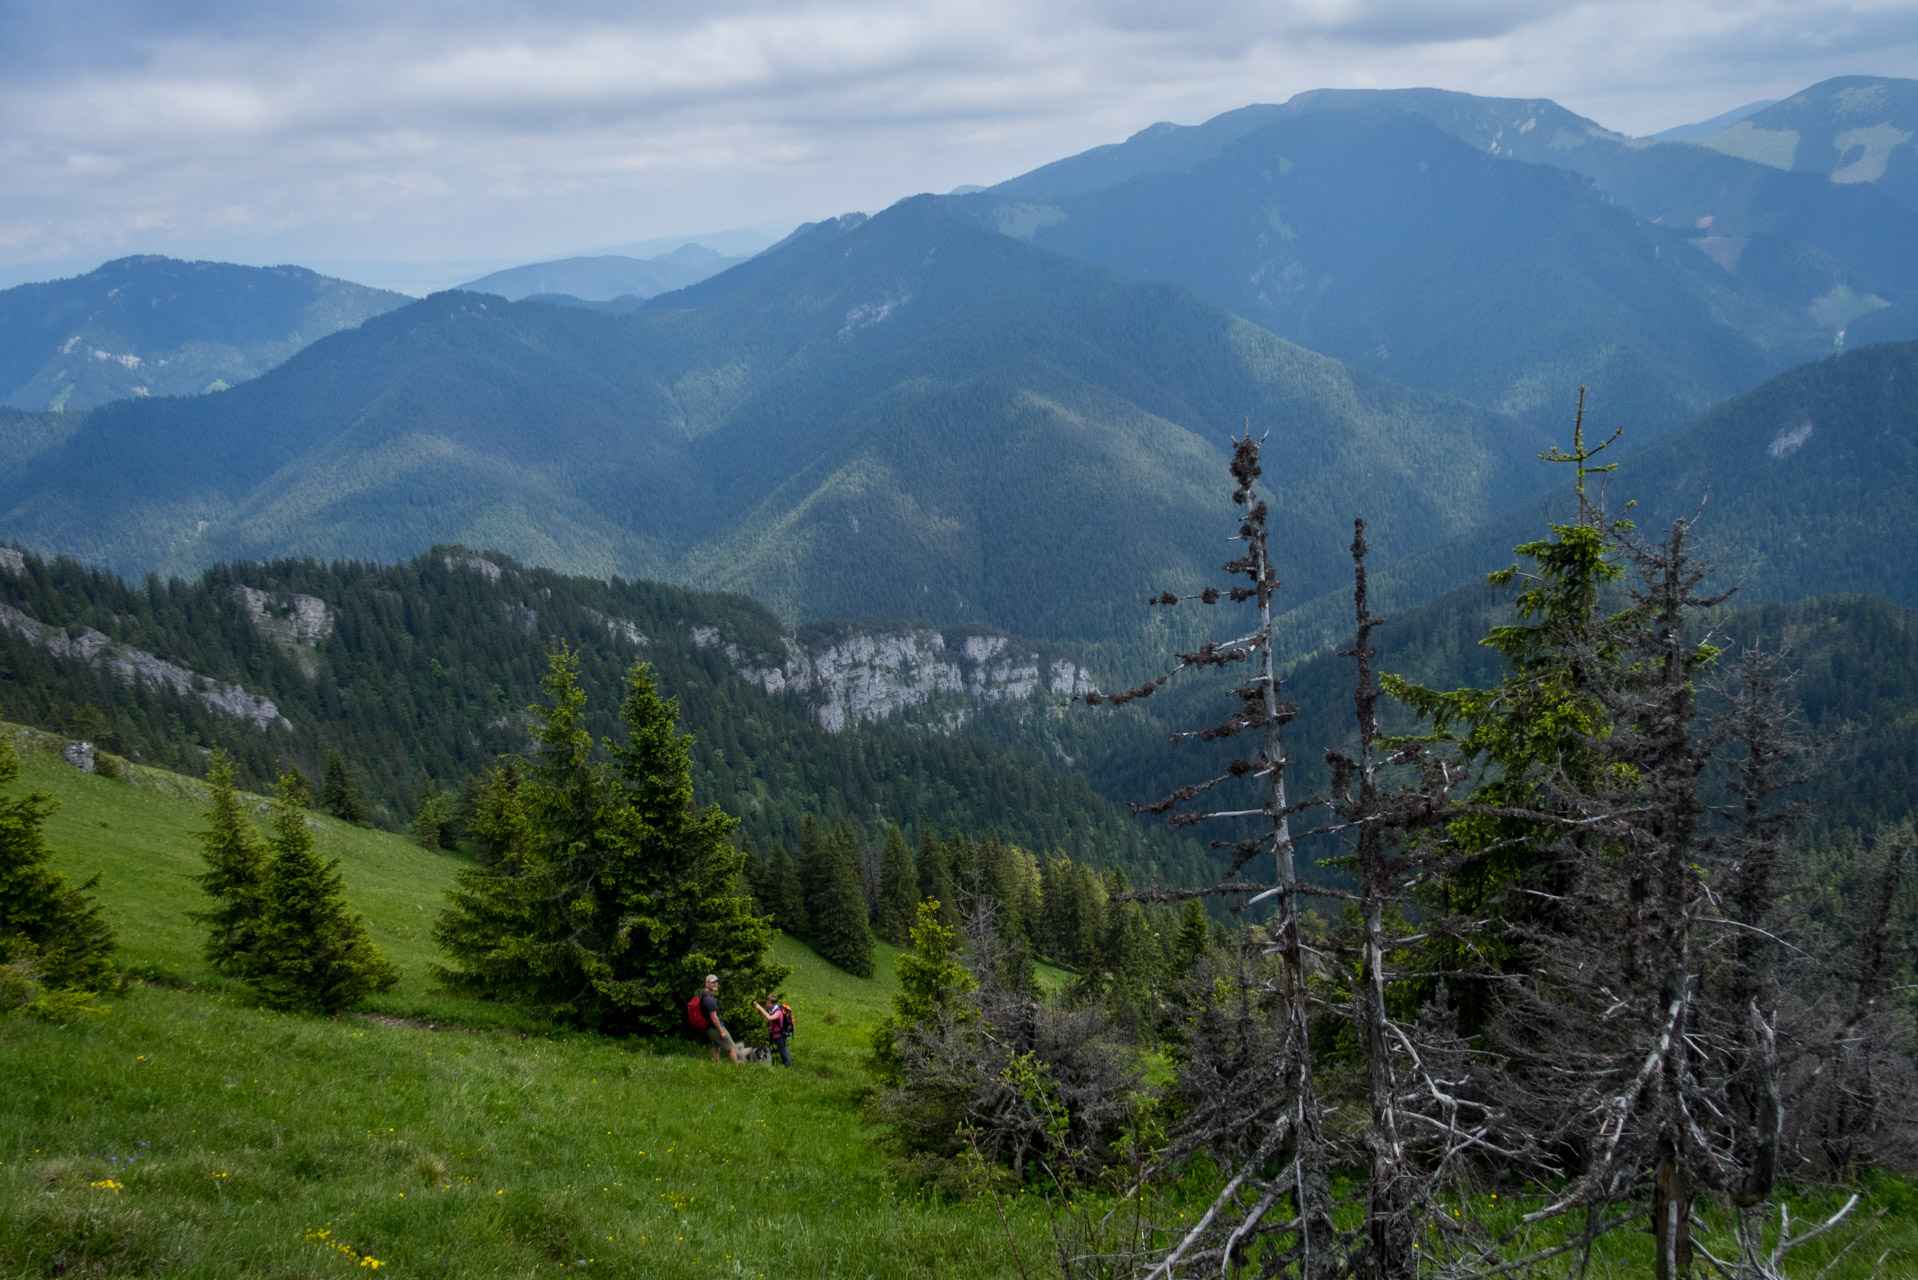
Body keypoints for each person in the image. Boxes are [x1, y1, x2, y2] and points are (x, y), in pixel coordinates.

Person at [696, 974, 739, 1063]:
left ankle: (716, 1066)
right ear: (707, 983)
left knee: (716, 1047)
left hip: (710, 1027)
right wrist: (721, 1031)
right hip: (715, 1027)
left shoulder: (703, 994)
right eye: (712, 982)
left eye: (716, 982)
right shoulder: (709, 1000)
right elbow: (714, 1017)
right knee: (732, 1048)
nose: (715, 984)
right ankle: (735, 1069)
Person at [754, 993, 794, 1067]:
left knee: (783, 1051)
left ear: (773, 1004)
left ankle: (788, 1067)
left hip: (780, 1036)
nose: (766, 1004)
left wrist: (760, 1008)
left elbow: (769, 1018)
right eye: (766, 1002)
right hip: (774, 1035)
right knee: (781, 1050)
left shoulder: (778, 1012)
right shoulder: (771, 1010)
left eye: (768, 1003)